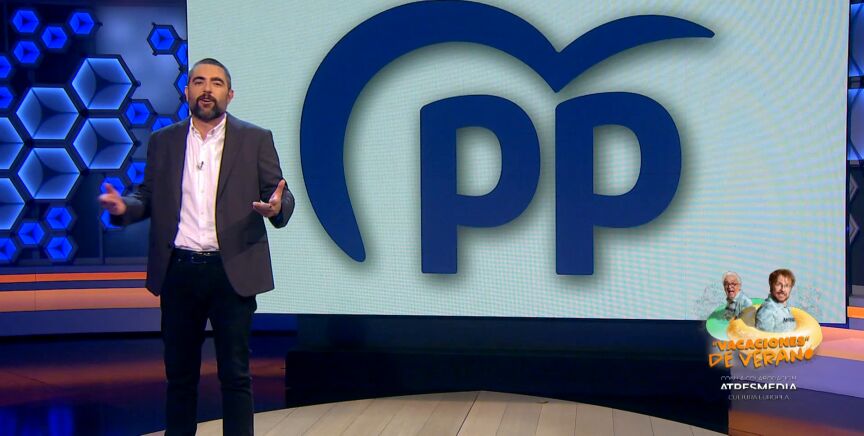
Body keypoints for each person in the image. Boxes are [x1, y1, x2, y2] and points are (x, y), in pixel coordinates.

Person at [98, 58, 294, 435]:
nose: (207, 89)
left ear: (229, 94)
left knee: (235, 375)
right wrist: (125, 208)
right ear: (187, 91)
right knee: (180, 377)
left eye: (216, 83)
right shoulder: (164, 141)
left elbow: (280, 194)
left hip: (231, 272)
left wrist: (276, 207)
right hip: (179, 272)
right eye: (199, 81)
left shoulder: (255, 139)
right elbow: (148, 195)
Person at [755, 269, 797, 333]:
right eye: (778, 284)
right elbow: (764, 337)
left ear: (790, 288)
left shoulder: (786, 309)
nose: (782, 289)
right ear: (771, 285)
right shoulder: (767, 311)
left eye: (786, 286)